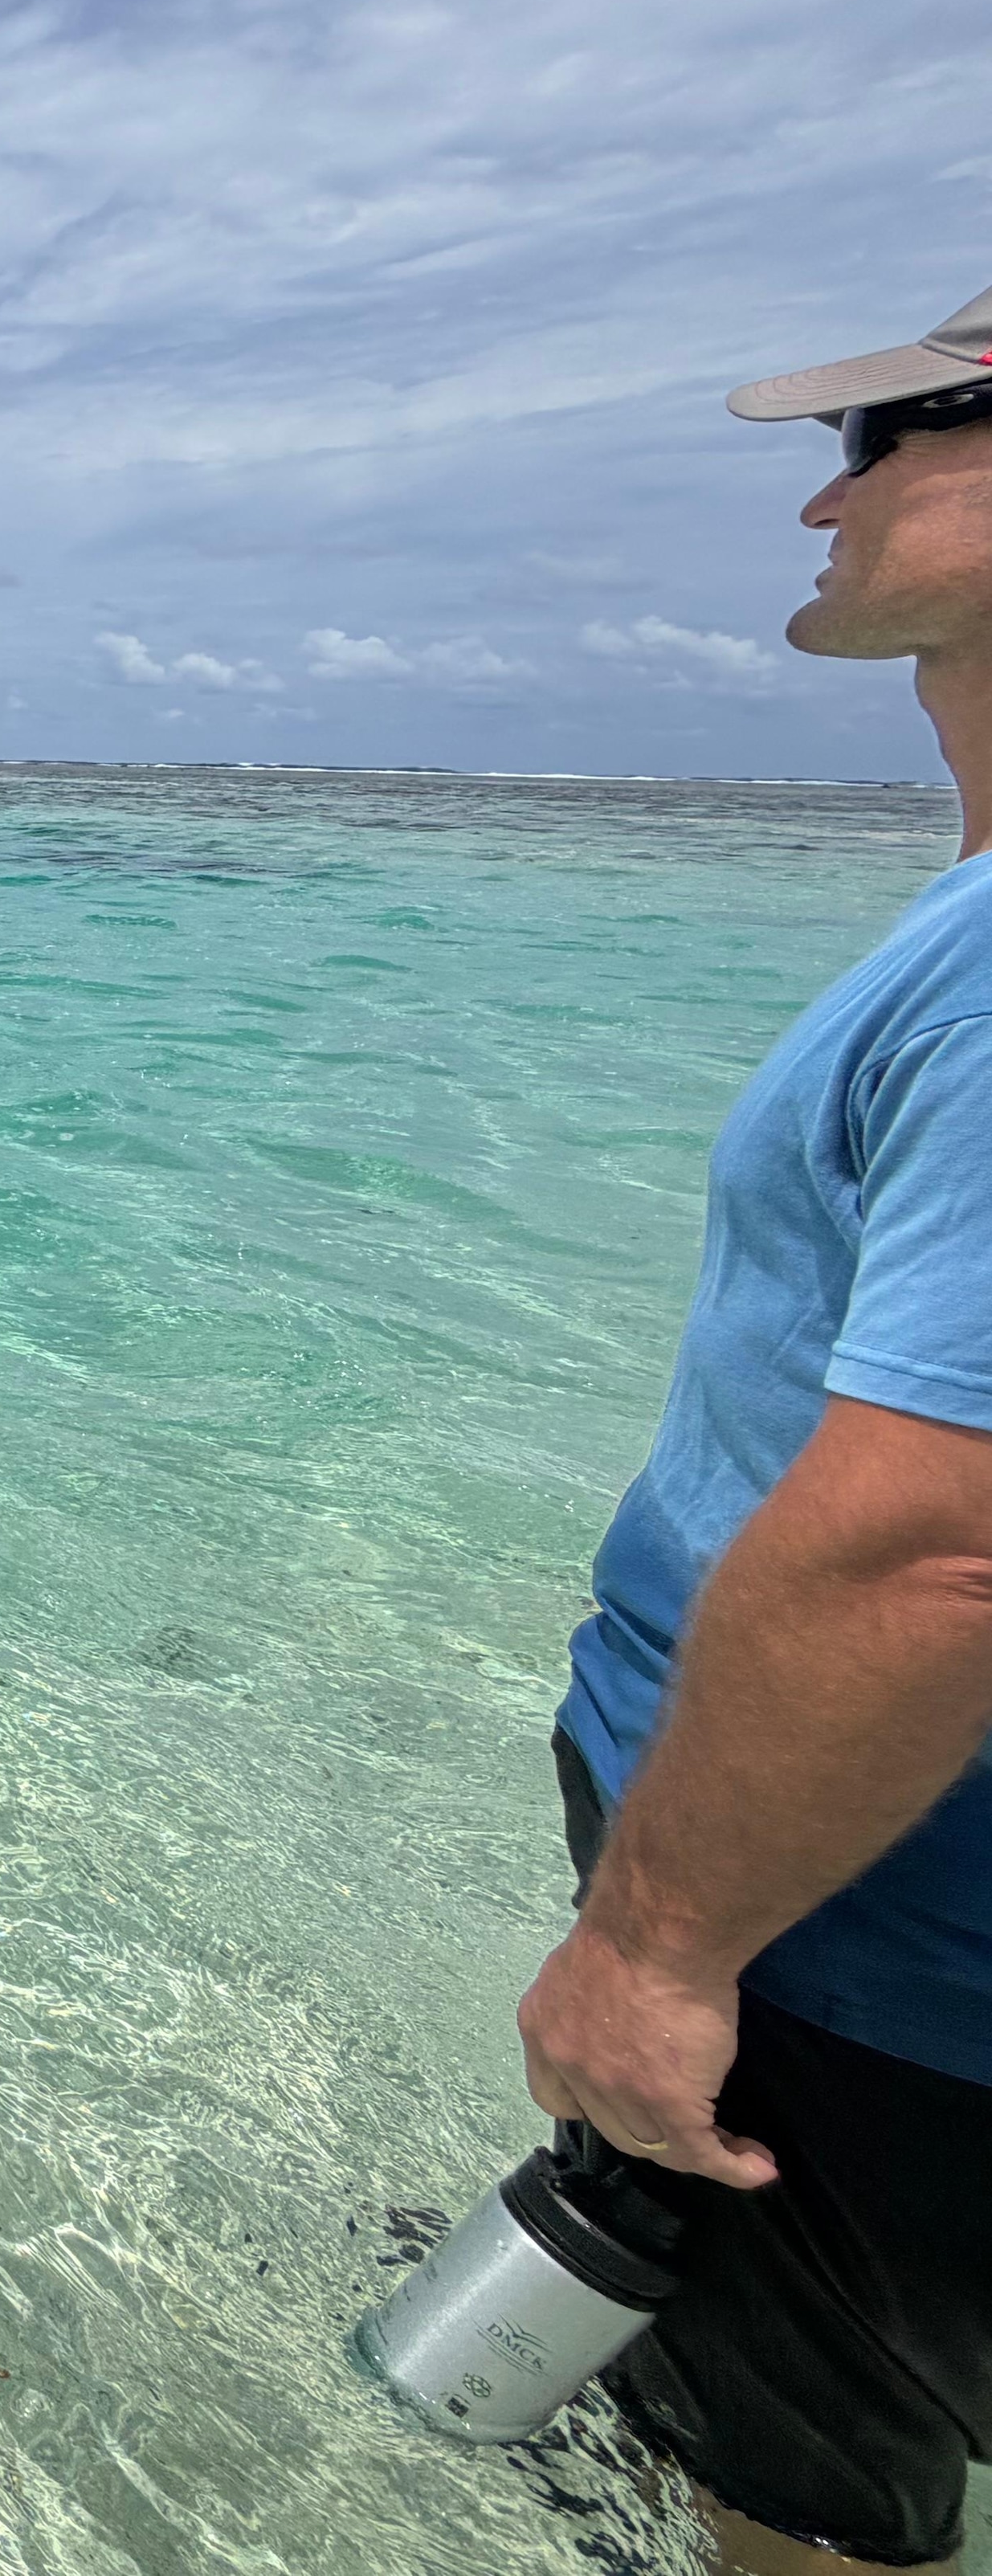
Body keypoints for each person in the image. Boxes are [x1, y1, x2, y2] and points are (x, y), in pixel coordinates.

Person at [518, 283, 992, 2574]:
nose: (830, 490)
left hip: (865, 1942)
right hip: (858, 1912)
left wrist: (662, 1950)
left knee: (804, 2500)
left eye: (898, 430)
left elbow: (941, 1554)